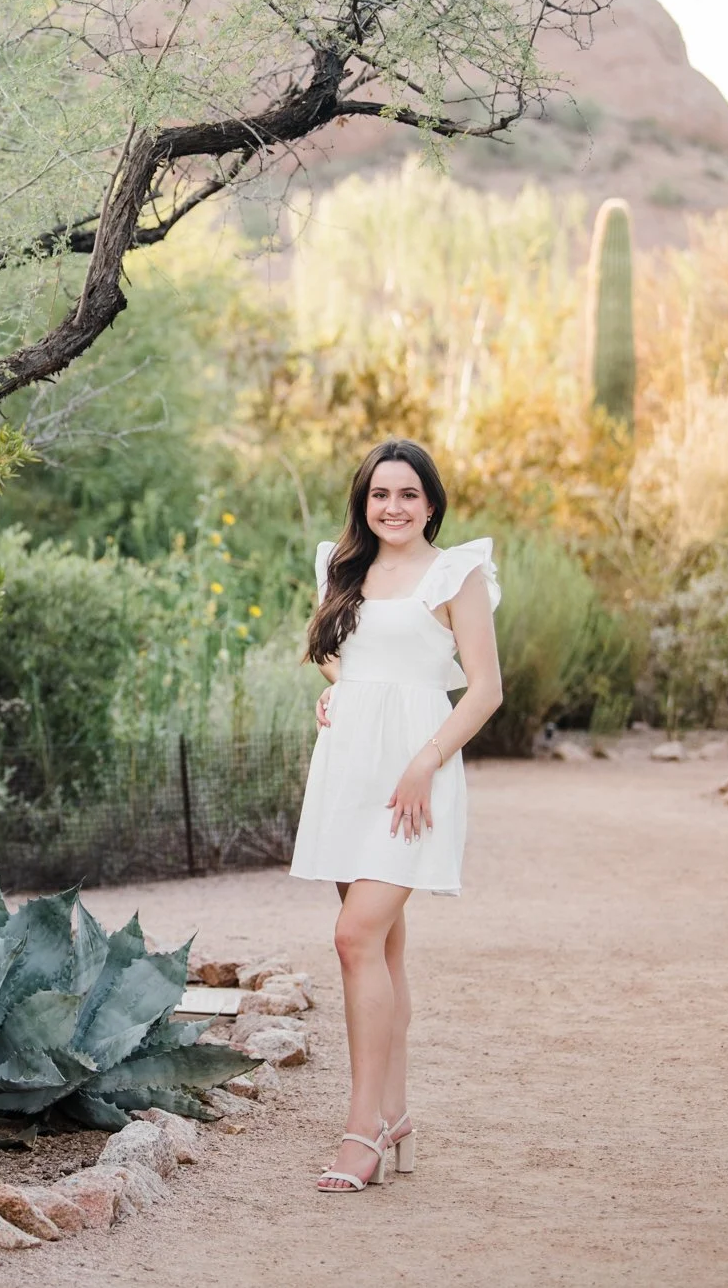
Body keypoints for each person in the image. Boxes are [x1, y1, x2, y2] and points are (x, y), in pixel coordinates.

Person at [291, 438, 502, 1192]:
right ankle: (398, 1112)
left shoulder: (457, 573)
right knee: (382, 949)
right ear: (364, 500)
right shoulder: (343, 566)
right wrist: (340, 689)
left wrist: (425, 760)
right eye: (381, 494)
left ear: (432, 502)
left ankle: (361, 1131)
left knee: (354, 937)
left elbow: (484, 688)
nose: (393, 507)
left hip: (416, 775)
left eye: (409, 494)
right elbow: (335, 650)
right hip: (348, 766)